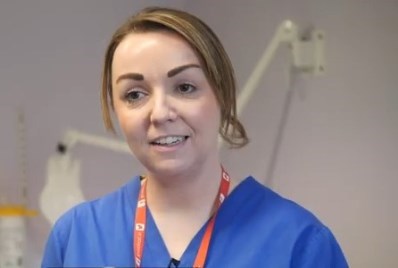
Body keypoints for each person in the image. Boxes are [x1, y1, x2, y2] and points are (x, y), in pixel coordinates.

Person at [41, 6, 348, 268]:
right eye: (134, 94)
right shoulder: (76, 237)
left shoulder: (299, 242)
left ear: (223, 96)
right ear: (115, 110)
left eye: (185, 87)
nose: (159, 113)